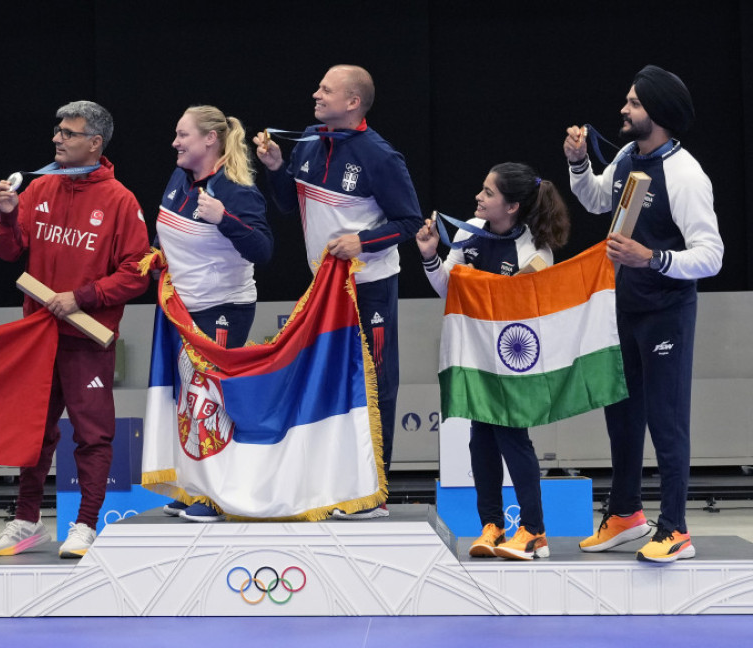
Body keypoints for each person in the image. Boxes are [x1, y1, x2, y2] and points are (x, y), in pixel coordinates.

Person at [563, 65, 723, 563]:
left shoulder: (686, 175)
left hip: (666, 314)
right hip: (624, 309)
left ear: (657, 113)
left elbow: (712, 254)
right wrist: (576, 164)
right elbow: (595, 202)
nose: (623, 111)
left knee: (666, 421)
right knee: (623, 417)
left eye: (632, 103)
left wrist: (651, 258)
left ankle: (675, 528)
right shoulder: (631, 156)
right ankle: (626, 513)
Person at [254, 64, 423, 519]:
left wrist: (361, 243)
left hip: (369, 289)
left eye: (326, 90)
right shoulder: (310, 142)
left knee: (375, 386)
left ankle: (374, 494)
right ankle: (337, 486)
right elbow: (290, 203)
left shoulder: (380, 155)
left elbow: (409, 221)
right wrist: (274, 169)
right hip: (324, 291)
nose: (315, 94)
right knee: (331, 384)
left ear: (352, 102)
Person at [0, 100, 149, 558]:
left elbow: (137, 272)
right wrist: (5, 214)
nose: (57, 138)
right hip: (36, 338)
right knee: (33, 431)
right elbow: (7, 251)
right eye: (57, 130)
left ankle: (86, 523)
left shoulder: (120, 200)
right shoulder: (40, 188)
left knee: (92, 434)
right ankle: (26, 521)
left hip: (86, 339)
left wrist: (81, 297)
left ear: (95, 143)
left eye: (68, 133)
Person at [416, 163, 571, 560]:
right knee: (479, 438)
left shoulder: (535, 251)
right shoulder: (468, 231)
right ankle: (492, 526)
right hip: (475, 353)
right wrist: (431, 256)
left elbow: (533, 312)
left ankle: (535, 531)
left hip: (514, 357)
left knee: (511, 438)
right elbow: (448, 290)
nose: (478, 198)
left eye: (488, 193)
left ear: (513, 206)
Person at [155, 105, 273, 523]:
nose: (175, 142)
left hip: (223, 309)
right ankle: (196, 487)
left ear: (210, 140)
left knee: (211, 403)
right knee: (190, 401)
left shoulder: (237, 190)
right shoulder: (179, 179)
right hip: (183, 310)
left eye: (182, 134)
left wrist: (224, 219)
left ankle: (217, 496)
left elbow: (263, 250)